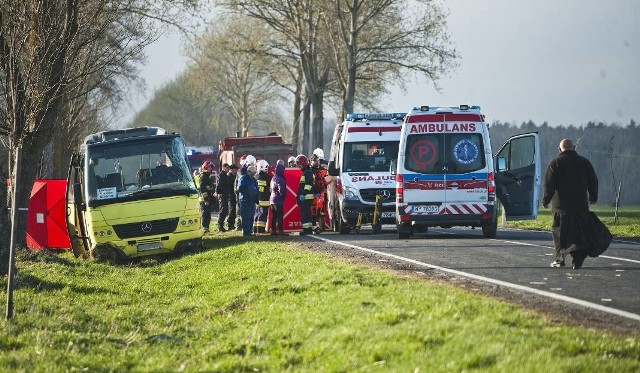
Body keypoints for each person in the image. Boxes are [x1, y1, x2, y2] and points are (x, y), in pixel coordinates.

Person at [542, 138, 598, 270]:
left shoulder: (554, 163)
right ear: (574, 148)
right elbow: (593, 181)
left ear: (559, 149)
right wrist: (593, 196)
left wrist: (546, 200)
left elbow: (549, 185)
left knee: (558, 233)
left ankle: (559, 259)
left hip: (561, 208)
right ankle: (577, 259)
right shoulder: (585, 163)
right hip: (580, 206)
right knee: (578, 234)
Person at [238, 165, 259, 237]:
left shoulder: (254, 180)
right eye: (252, 172)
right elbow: (240, 188)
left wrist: (256, 199)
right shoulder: (243, 179)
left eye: (254, 172)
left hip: (252, 201)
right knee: (246, 216)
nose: (253, 174)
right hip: (245, 200)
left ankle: (250, 231)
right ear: (248, 172)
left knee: (251, 216)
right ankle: (246, 232)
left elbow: (256, 189)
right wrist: (248, 194)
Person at [296, 154, 315, 235]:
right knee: (307, 213)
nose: (298, 166)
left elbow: (308, 185)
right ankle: (308, 229)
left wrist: (303, 194)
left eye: (299, 164)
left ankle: (306, 230)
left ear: (303, 163)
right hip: (306, 197)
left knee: (305, 214)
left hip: (306, 197)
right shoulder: (306, 172)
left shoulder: (308, 172)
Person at [310, 150, 328, 234]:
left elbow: (322, 180)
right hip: (314, 194)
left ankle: (319, 226)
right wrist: (315, 192)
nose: (317, 162)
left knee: (320, 210)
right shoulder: (311, 171)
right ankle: (314, 227)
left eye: (317, 161)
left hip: (320, 193)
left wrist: (325, 185)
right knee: (314, 211)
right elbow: (312, 183)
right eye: (315, 161)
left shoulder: (318, 170)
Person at [254, 159, 272, 233]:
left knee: (257, 213)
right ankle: (261, 230)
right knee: (263, 214)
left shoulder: (256, 176)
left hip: (257, 198)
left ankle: (255, 229)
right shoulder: (267, 177)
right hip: (265, 199)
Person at [198, 161, 215, 234]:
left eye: (211, 168)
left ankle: (207, 228)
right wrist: (206, 200)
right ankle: (204, 229)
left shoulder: (207, 176)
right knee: (205, 214)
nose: (210, 169)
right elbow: (203, 189)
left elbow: (210, 188)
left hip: (208, 198)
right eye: (209, 167)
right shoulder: (203, 177)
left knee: (208, 214)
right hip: (204, 200)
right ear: (205, 168)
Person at [270, 163, 287, 235]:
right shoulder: (281, 179)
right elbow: (281, 190)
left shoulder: (273, 178)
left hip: (272, 199)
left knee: (274, 216)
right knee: (280, 216)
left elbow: (270, 189)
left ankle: (273, 230)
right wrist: (283, 197)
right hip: (278, 200)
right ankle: (280, 230)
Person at [215, 163, 232, 232]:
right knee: (223, 211)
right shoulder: (222, 175)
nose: (228, 169)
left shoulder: (225, 175)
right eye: (227, 168)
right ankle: (220, 226)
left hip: (225, 195)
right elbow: (219, 185)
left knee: (225, 211)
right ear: (224, 167)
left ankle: (221, 225)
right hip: (223, 195)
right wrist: (218, 193)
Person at [227, 164, 238, 231]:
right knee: (231, 210)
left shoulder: (234, 176)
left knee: (234, 210)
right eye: (235, 169)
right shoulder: (229, 176)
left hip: (234, 196)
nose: (236, 171)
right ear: (231, 169)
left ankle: (232, 224)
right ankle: (229, 224)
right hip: (230, 196)